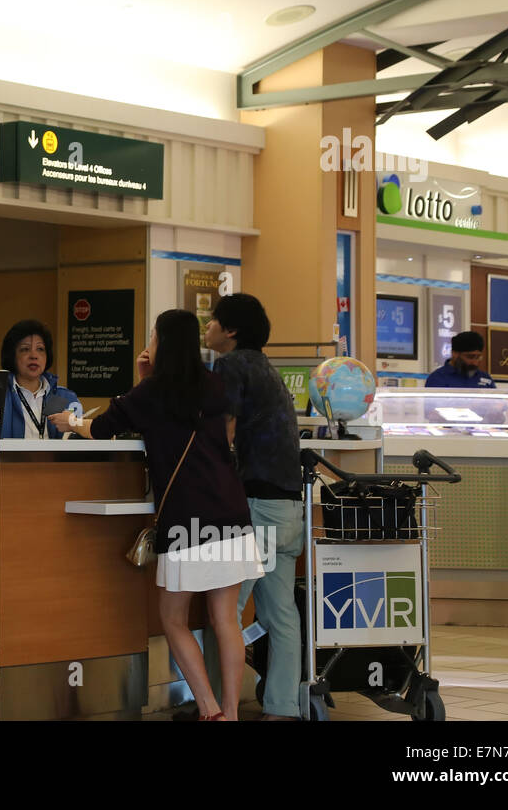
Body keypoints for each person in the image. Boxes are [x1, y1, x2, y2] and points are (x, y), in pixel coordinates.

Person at [50, 310, 264, 721]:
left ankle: (210, 711)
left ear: (162, 342)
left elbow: (102, 428)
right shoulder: (214, 384)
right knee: (225, 621)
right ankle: (232, 714)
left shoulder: (152, 393)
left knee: (173, 618)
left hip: (187, 517)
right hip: (233, 513)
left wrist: (72, 422)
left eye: (152, 336)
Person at [201, 293, 304, 720]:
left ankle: (215, 707)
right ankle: (283, 705)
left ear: (230, 331)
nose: (207, 327)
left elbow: (221, 429)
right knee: (281, 612)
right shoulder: (268, 371)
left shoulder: (232, 365)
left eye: (212, 321)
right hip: (287, 508)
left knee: (223, 611)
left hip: (255, 505)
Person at [425, 331, 496, 388]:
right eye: (470, 357)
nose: (475, 363)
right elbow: (434, 405)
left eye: (478, 357)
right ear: (455, 354)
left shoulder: (485, 378)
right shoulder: (437, 379)